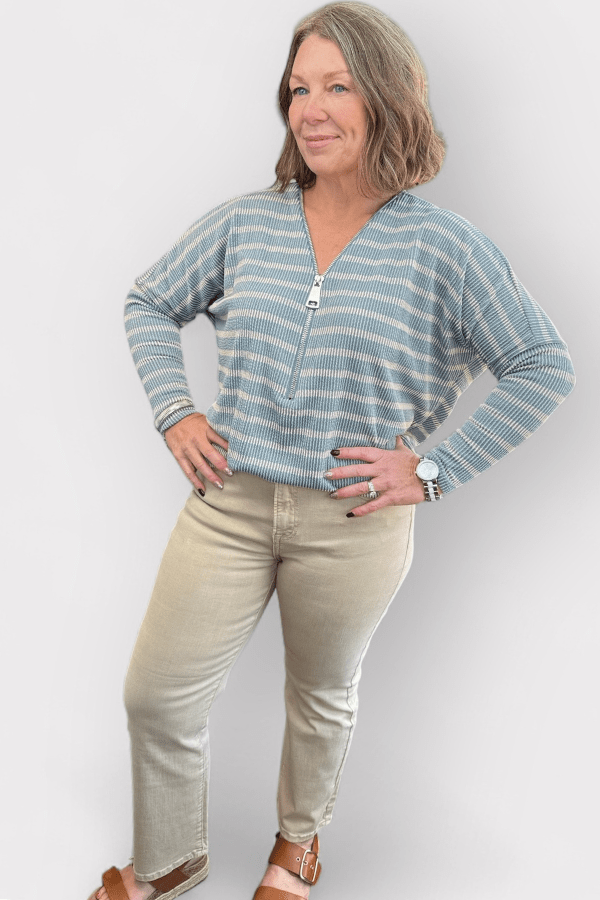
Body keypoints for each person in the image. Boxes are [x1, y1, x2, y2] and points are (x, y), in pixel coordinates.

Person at [88, 2, 575, 899]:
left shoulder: (446, 247)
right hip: (229, 501)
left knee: (319, 695)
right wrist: (175, 412)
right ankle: (170, 857)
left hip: (355, 519)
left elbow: (543, 365)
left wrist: (433, 470)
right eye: (298, 88)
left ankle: (297, 845)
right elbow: (150, 302)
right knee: (155, 694)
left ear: (388, 96)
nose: (310, 109)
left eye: (338, 86)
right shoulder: (245, 222)